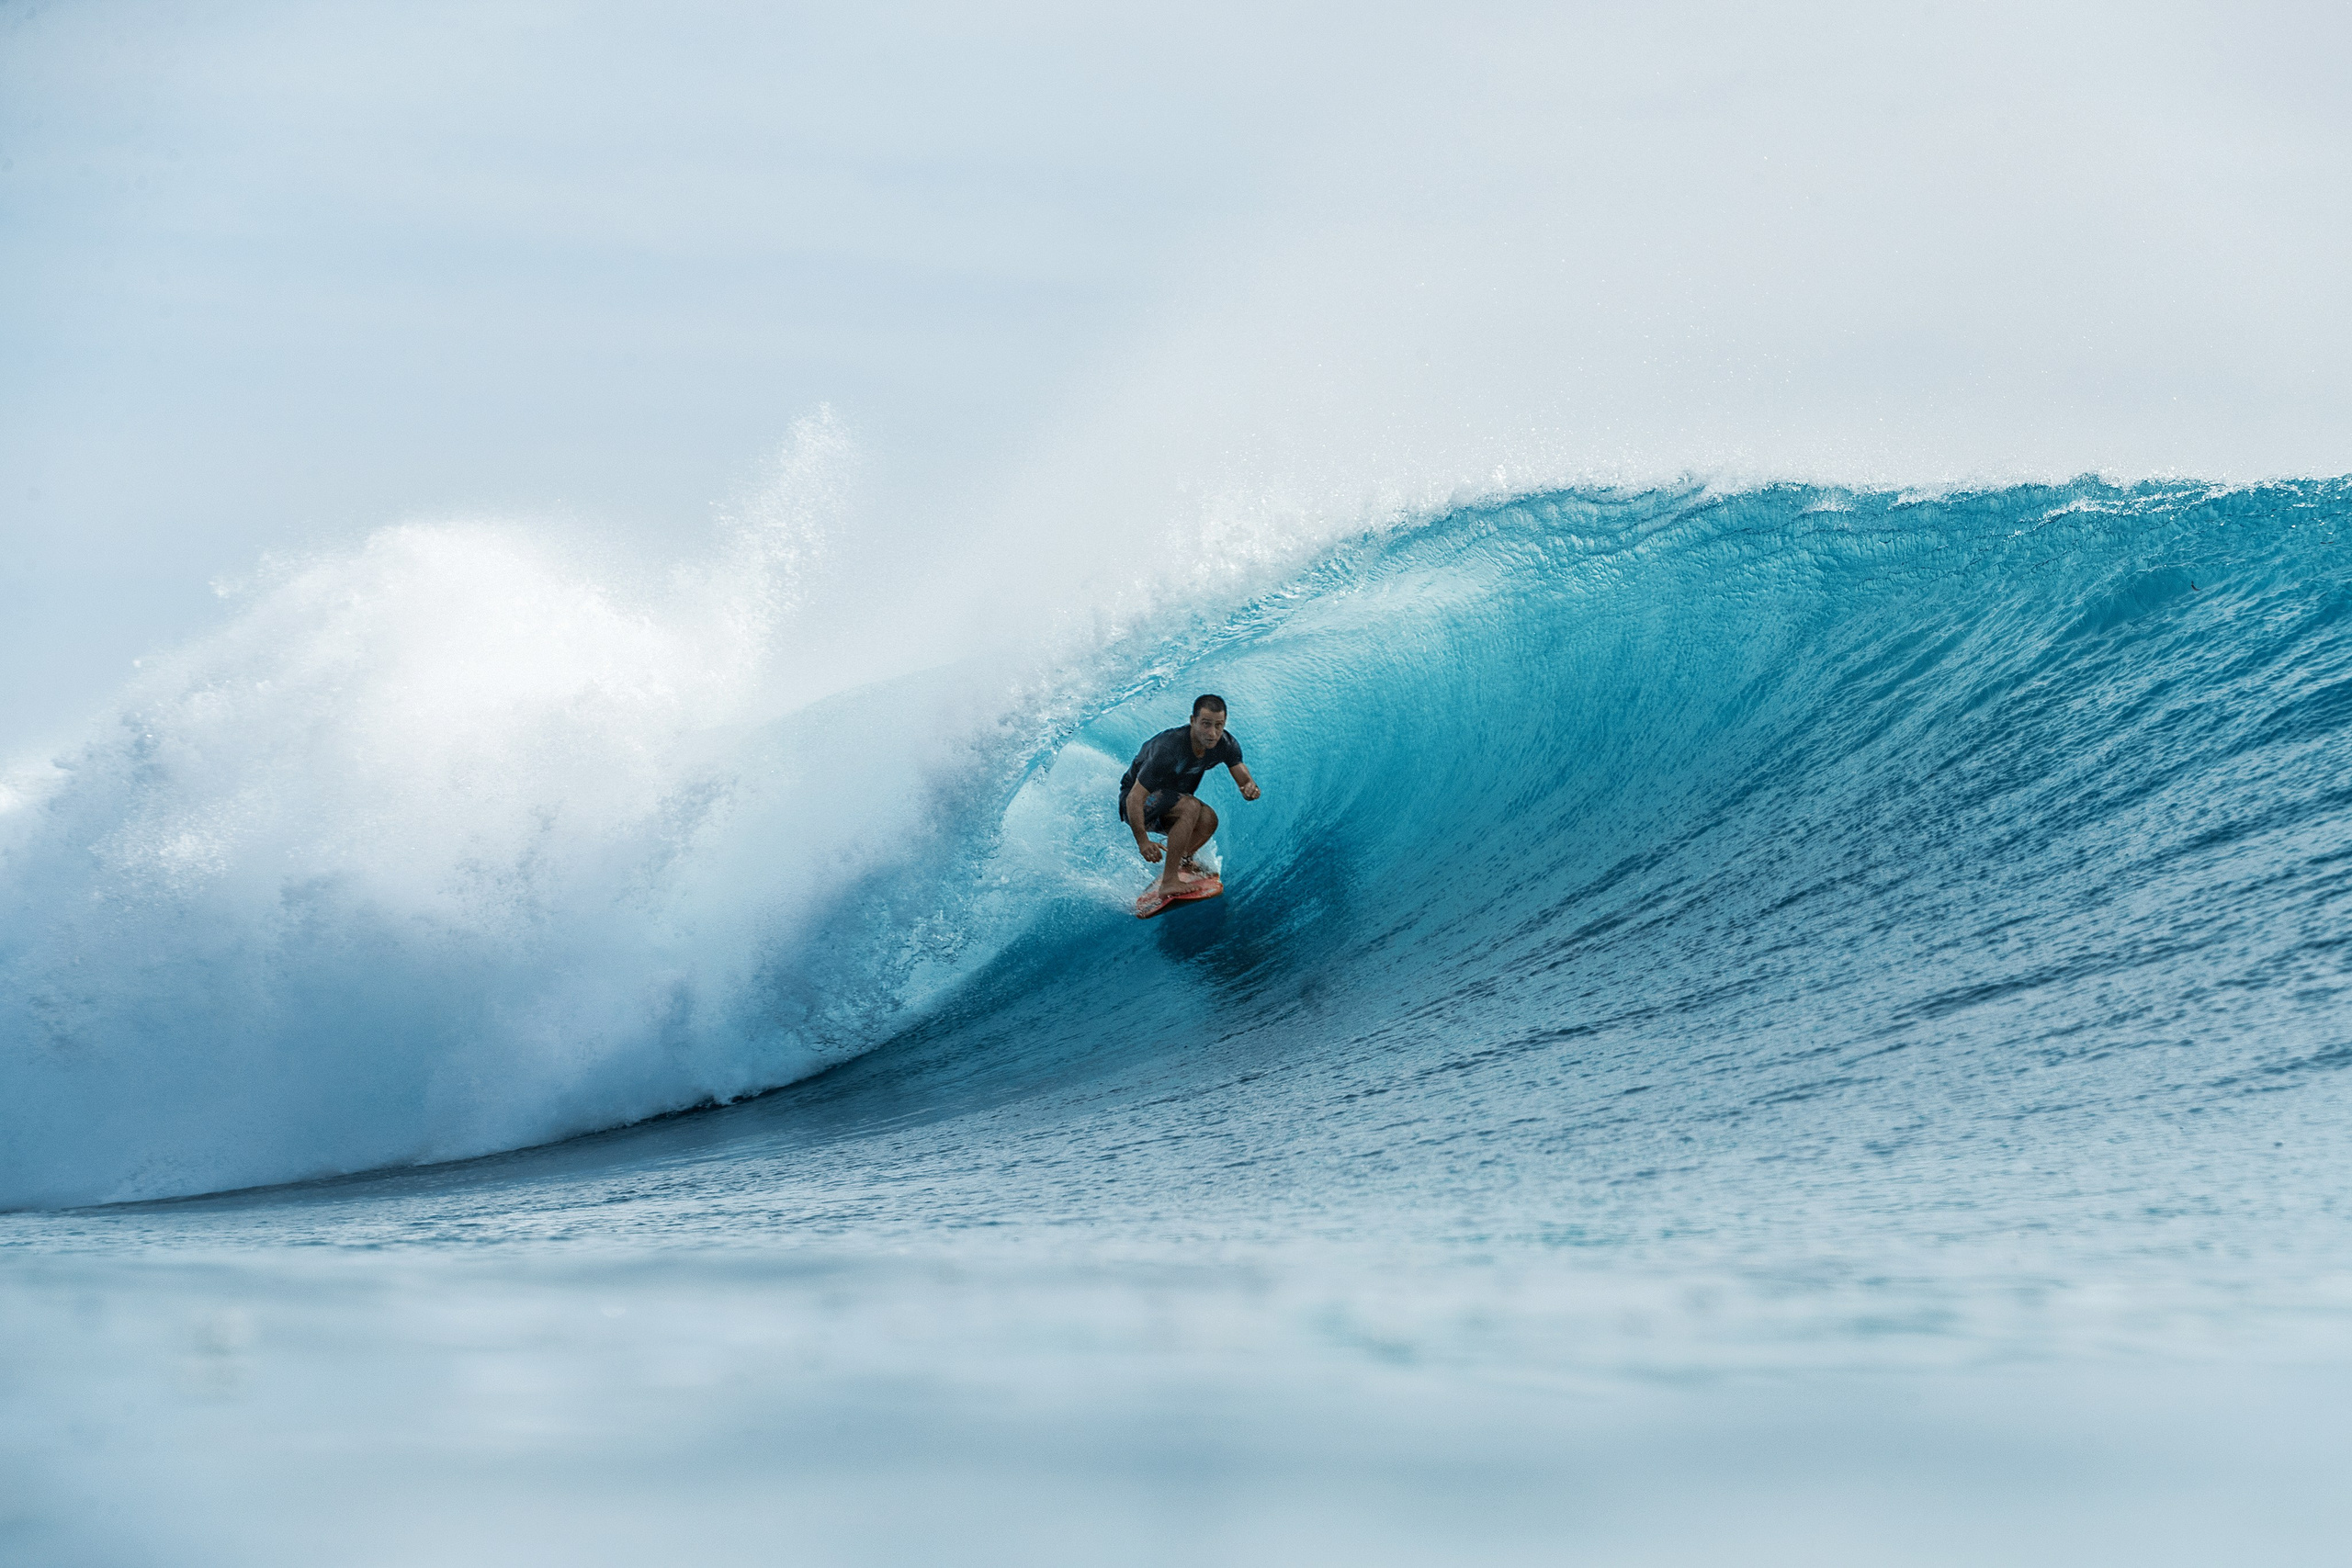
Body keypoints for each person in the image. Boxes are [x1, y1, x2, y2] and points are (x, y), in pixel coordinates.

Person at [1118, 694, 1261, 904]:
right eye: (1206, 724)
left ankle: (1182, 861)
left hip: (1171, 802)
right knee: (1190, 807)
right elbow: (1134, 798)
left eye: (1219, 725)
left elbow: (1244, 780)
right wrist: (1143, 842)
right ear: (1192, 721)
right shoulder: (1168, 748)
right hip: (1136, 804)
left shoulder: (1225, 743)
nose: (1213, 733)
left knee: (1208, 819)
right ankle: (1169, 881)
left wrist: (1249, 788)